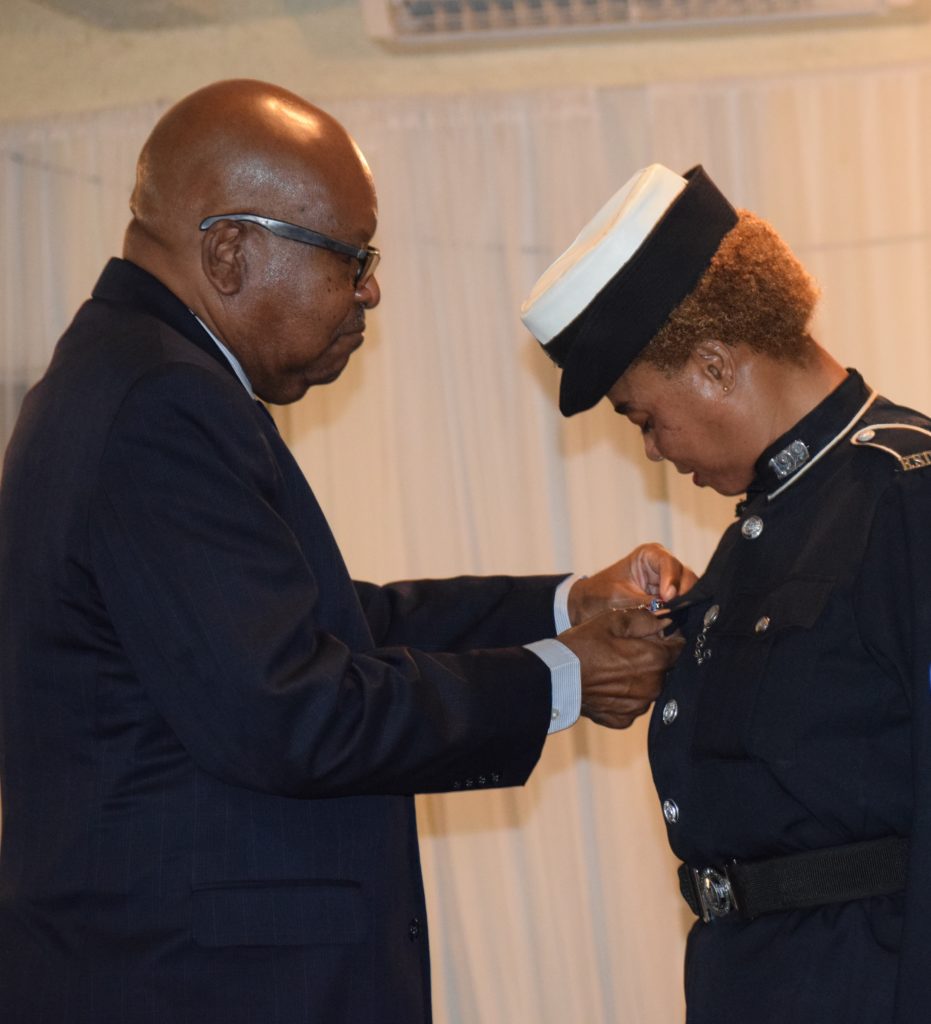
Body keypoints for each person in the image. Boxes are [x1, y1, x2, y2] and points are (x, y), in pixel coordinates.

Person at [0, 82, 691, 1024]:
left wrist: (561, 605)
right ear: (229, 252)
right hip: (201, 989)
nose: (371, 289)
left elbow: (329, 628)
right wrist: (560, 680)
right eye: (351, 257)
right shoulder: (161, 403)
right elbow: (292, 711)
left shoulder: (124, 377)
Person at [521, 162, 931, 1023]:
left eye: (642, 418)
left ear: (712, 364)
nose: (653, 452)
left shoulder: (903, 498)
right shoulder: (765, 528)